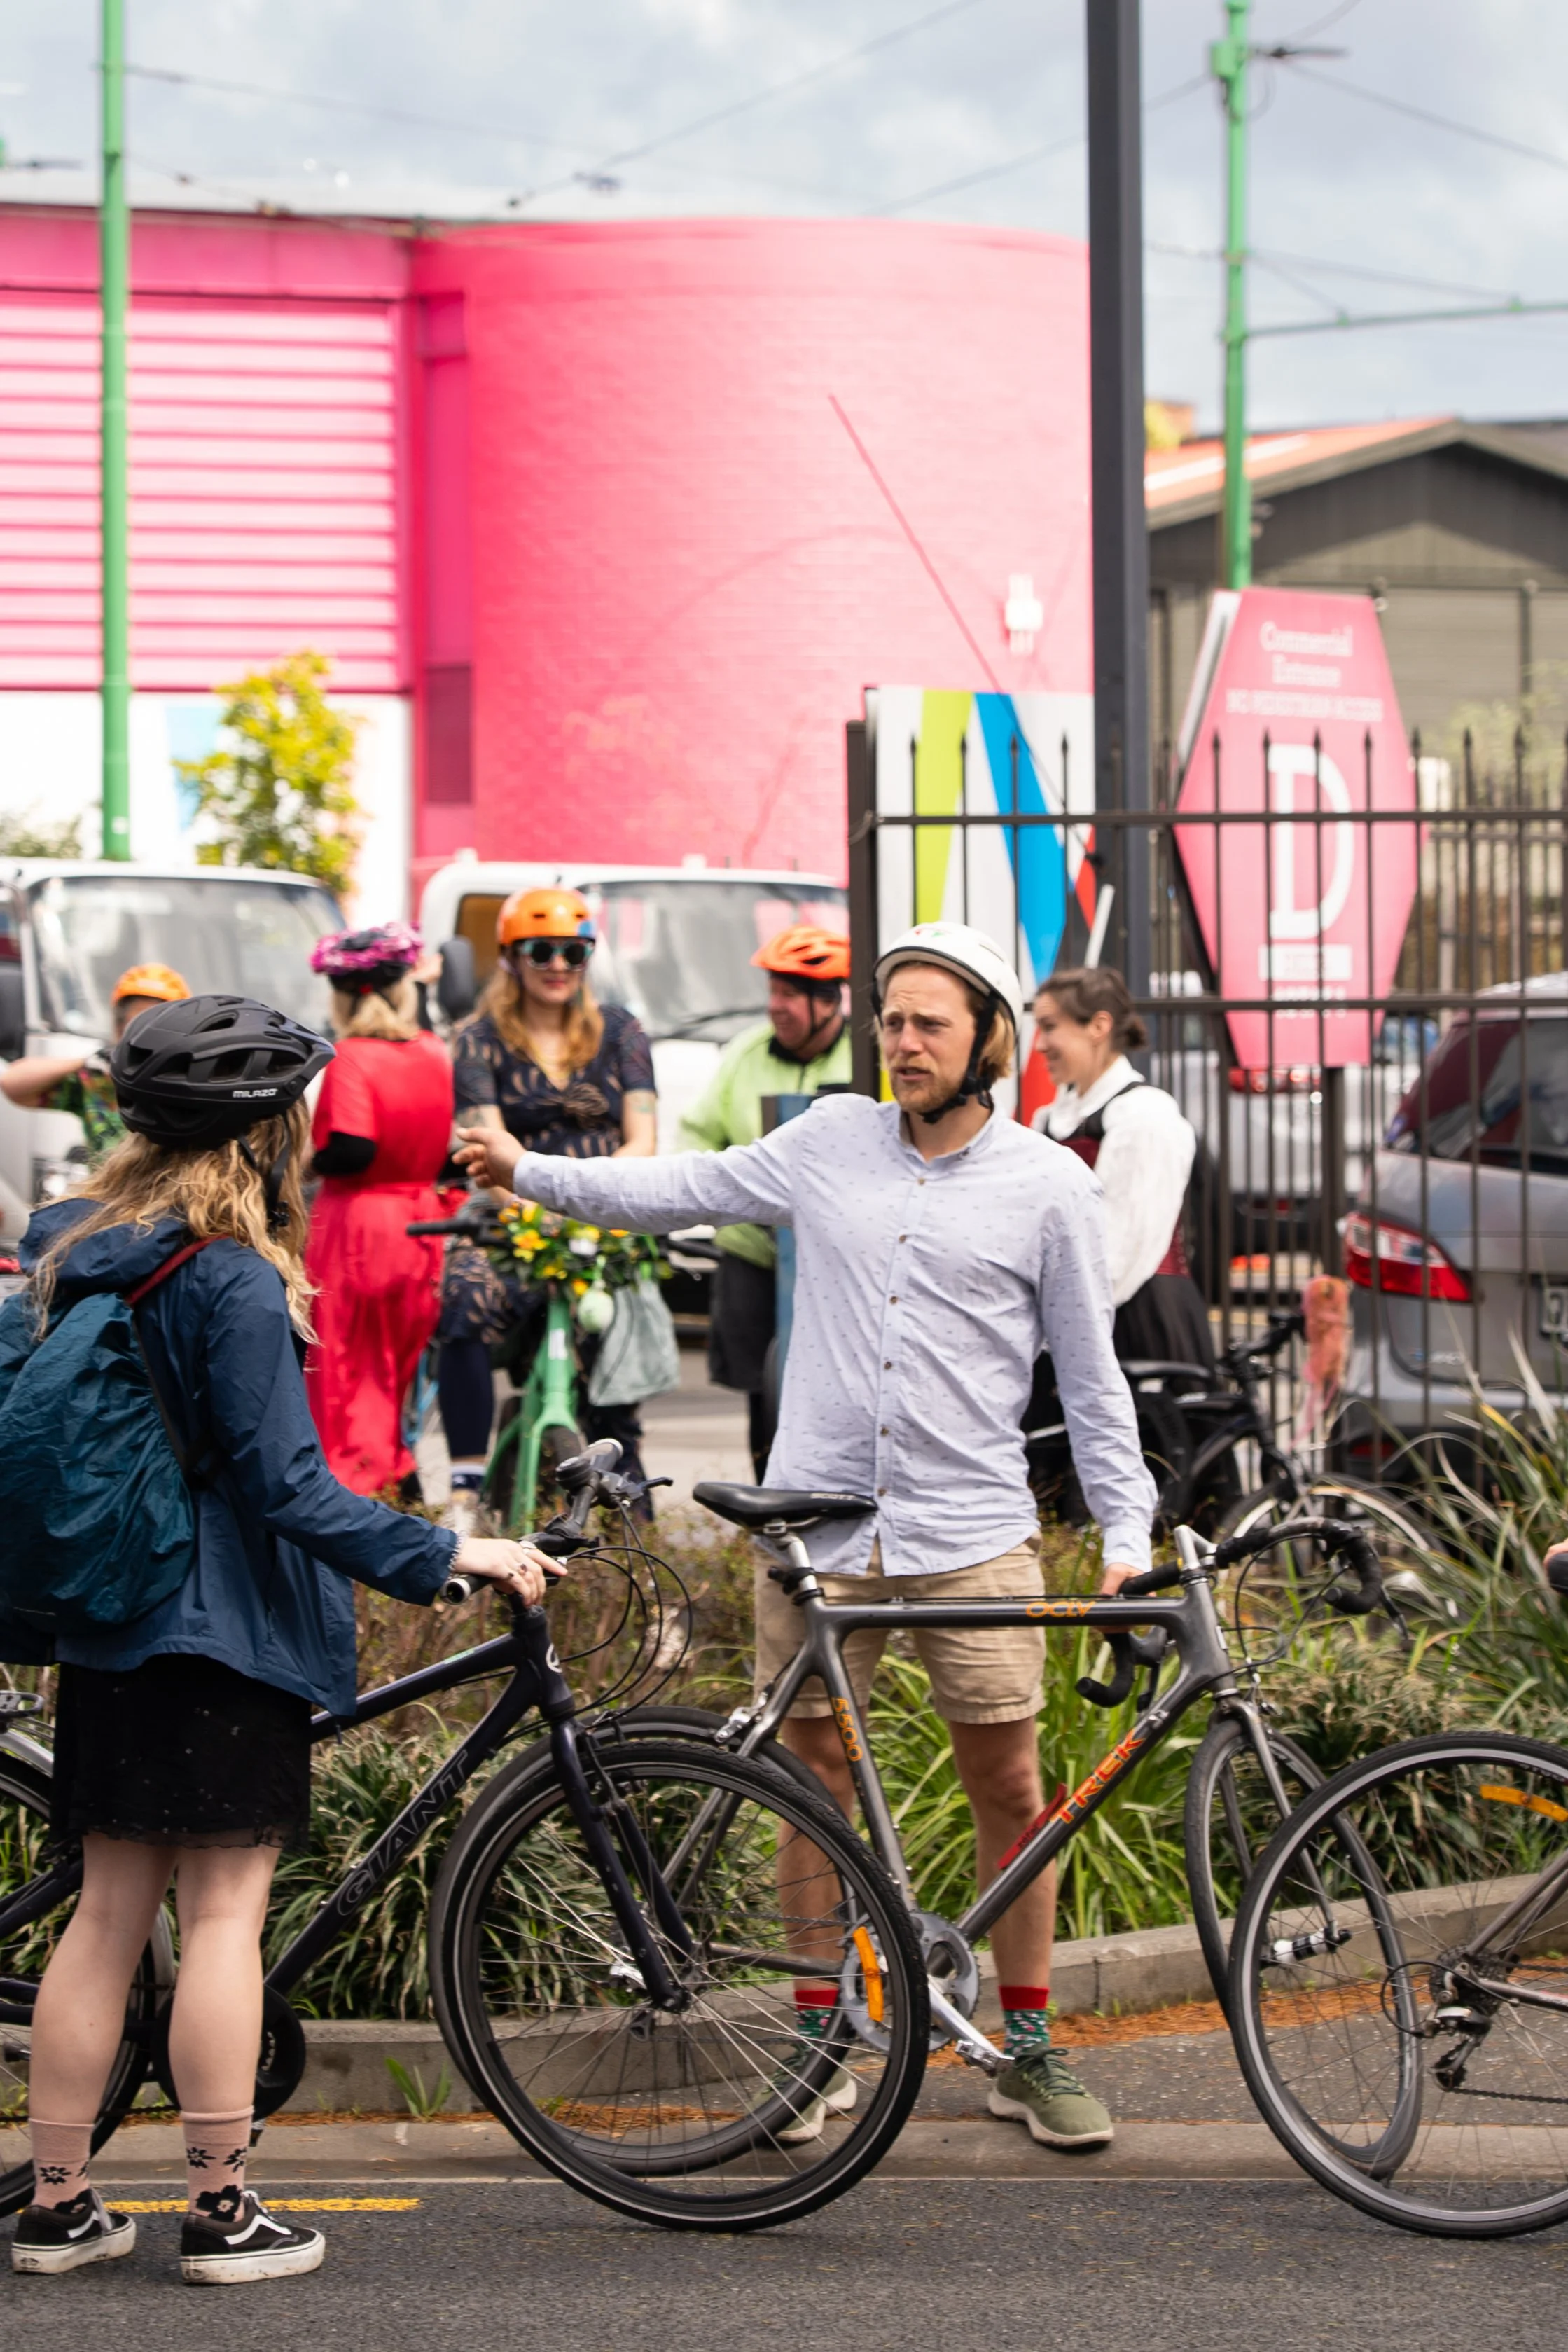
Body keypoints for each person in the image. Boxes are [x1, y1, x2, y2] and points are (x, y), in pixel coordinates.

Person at [457, 918, 1156, 2153]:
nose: (900, 1040)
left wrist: (1126, 1524)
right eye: (890, 1019)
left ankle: (1031, 2044)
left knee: (1010, 1787)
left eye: (927, 1022)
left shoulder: (1049, 1184)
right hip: (817, 1524)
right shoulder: (828, 1139)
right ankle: (816, 2031)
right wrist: (526, 1169)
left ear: (990, 1039)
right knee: (806, 1783)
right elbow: (677, 1182)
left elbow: (1091, 1382)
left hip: (971, 1530)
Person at [4, 994, 547, 2286]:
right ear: (262, 1127)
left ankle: (61, 2206)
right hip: (218, 1629)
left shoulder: (84, 1241)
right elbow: (286, 1486)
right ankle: (220, 2207)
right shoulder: (230, 1273)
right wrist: (444, 1549)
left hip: (108, 1620)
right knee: (227, 1913)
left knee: (106, 1914)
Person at [438, 887, 658, 1533]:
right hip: (514, 1220)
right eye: (541, 951)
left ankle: (636, 1529)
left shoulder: (623, 1031)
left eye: (574, 951)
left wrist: (595, 1207)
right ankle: (465, 1490)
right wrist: (538, 1215)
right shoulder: (477, 1039)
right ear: (511, 957)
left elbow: (642, 1138)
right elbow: (484, 1142)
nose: (558, 964)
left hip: (605, 1222)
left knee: (616, 1377)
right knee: (462, 1294)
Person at [680, 925, 852, 1476]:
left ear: (827, 1003)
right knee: (763, 1391)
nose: (775, 1006)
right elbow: (697, 1133)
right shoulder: (744, 1054)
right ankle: (768, 1505)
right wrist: (716, 1202)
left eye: (788, 996)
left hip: (839, 1261)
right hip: (754, 1255)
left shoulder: (864, 1055)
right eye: (773, 992)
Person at [304, 923, 455, 1497]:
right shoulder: (434, 1053)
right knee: (394, 1368)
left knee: (348, 1369)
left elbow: (352, 1149)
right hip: (422, 1223)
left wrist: (310, 1160)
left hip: (359, 1229)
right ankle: (396, 1472)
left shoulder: (351, 1058)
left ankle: (354, 1489)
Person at [1032, 967, 1212, 1375]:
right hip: (1065, 1319)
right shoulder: (1048, 1119)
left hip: (1139, 1322)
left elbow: (1124, 1246)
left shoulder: (1144, 1114)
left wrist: (1064, 1322)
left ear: (1098, 1026)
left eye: (1050, 1027)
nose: (1040, 1044)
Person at [1, 962, 190, 1163]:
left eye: (160, 1027)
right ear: (119, 1028)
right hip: (109, 1193)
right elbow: (13, 1084)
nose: (148, 1038)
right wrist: (86, 1061)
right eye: (137, 1025)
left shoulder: (193, 1084)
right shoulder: (99, 1081)